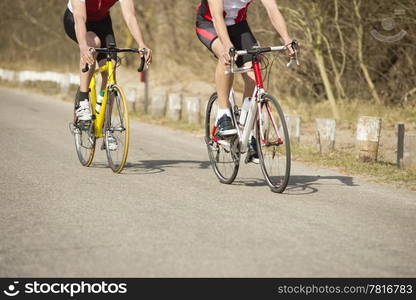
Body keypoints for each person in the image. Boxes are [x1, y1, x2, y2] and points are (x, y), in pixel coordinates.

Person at [196, 0, 295, 162]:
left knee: (254, 69)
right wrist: (227, 44)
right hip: (210, 24)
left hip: (238, 25)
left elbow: (272, 9)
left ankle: (247, 130)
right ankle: (223, 114)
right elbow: (217, 16)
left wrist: (286, 38)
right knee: (225, 55)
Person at [63, 0, 152, 121]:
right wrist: (83, 47)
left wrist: (141, 43)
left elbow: (130, 16)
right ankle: (82, 101)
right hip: (76, 19)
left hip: (102, 21)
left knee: (111, 66)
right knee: (93, 44)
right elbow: (79, 17)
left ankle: (106, 124)